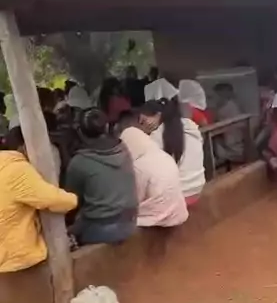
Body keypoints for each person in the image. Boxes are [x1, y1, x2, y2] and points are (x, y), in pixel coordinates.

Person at [0, 130, 77, 273]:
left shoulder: (4, 166)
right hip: (14, 257)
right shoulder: (17, 170)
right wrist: (75, 198)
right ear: (24, 146)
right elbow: (51, 199)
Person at [65, 109, 138, 245]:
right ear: (107, 126)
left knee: (67, 234)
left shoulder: (79, 162)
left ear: (80, 131)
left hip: (101, 228)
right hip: (130, 222)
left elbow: (70, 202)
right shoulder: (123, 148)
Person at [117, 112, 188, 227]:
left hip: (157, 218)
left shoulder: (138, 167)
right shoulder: (163, 155)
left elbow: (135, 200)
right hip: (178, 213)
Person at [139, 99, 205, 204]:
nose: (142, 126)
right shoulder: (191, 127)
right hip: (198, 186)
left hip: (179, 195)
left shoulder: (155, 137)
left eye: (143, 121)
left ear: (158, 115)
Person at [213, 82, 244, 164]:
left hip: (233, 140)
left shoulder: (232, 107)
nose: (215, 98)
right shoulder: (221, 107)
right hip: (226, 137)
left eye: (217, 95)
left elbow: (236, 125)